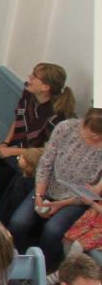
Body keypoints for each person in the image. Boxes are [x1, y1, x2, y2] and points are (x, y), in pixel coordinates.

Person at [11, 109, 102, 264]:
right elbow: (46, 162)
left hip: (76, 200)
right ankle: (13, 259)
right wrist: (39, 195)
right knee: (18, 222)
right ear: (83, 124)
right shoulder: (66, 128)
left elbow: (91, 193)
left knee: (53, 230)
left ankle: (43, 269)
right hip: (48, 187)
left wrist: (59, 205)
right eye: (91, 134)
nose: (95, 138)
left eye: (98, 136)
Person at [0, 62, 74, 214]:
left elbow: (46, 151)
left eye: (35, 76)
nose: (30, 77)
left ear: (45, 87)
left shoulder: (56, 117)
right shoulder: (29, 95)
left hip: (29, 161)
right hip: (12, 148)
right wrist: (5, 142)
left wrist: (11, 151)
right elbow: (18, 119)